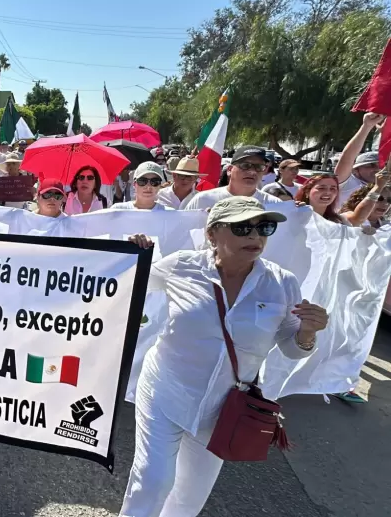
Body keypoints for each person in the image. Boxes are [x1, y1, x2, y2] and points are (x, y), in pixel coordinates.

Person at [120, 196, 328, 517]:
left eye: (264, 227)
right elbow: (130, 282)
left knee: (190, 497)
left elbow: (290, 346)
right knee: (153, 480)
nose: (255, 236)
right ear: (212, 233)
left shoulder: (281, 283)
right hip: (165, 390)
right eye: (243, 227)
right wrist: (134, 255)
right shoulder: (182, 265)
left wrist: (308, 332)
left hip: (222, 409)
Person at [183, 146, 281, 210]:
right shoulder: (203, 200)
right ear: (229, 170)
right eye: (245, 165)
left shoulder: (274, 204)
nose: (252, 171)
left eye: (259, 167)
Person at [334, 113, 385, 206]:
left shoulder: (384, 188)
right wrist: (366, 126)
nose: (377, 169)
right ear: (356, 170)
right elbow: (347, 158)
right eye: (371, 165)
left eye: (380, 166)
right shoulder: (347, 184)